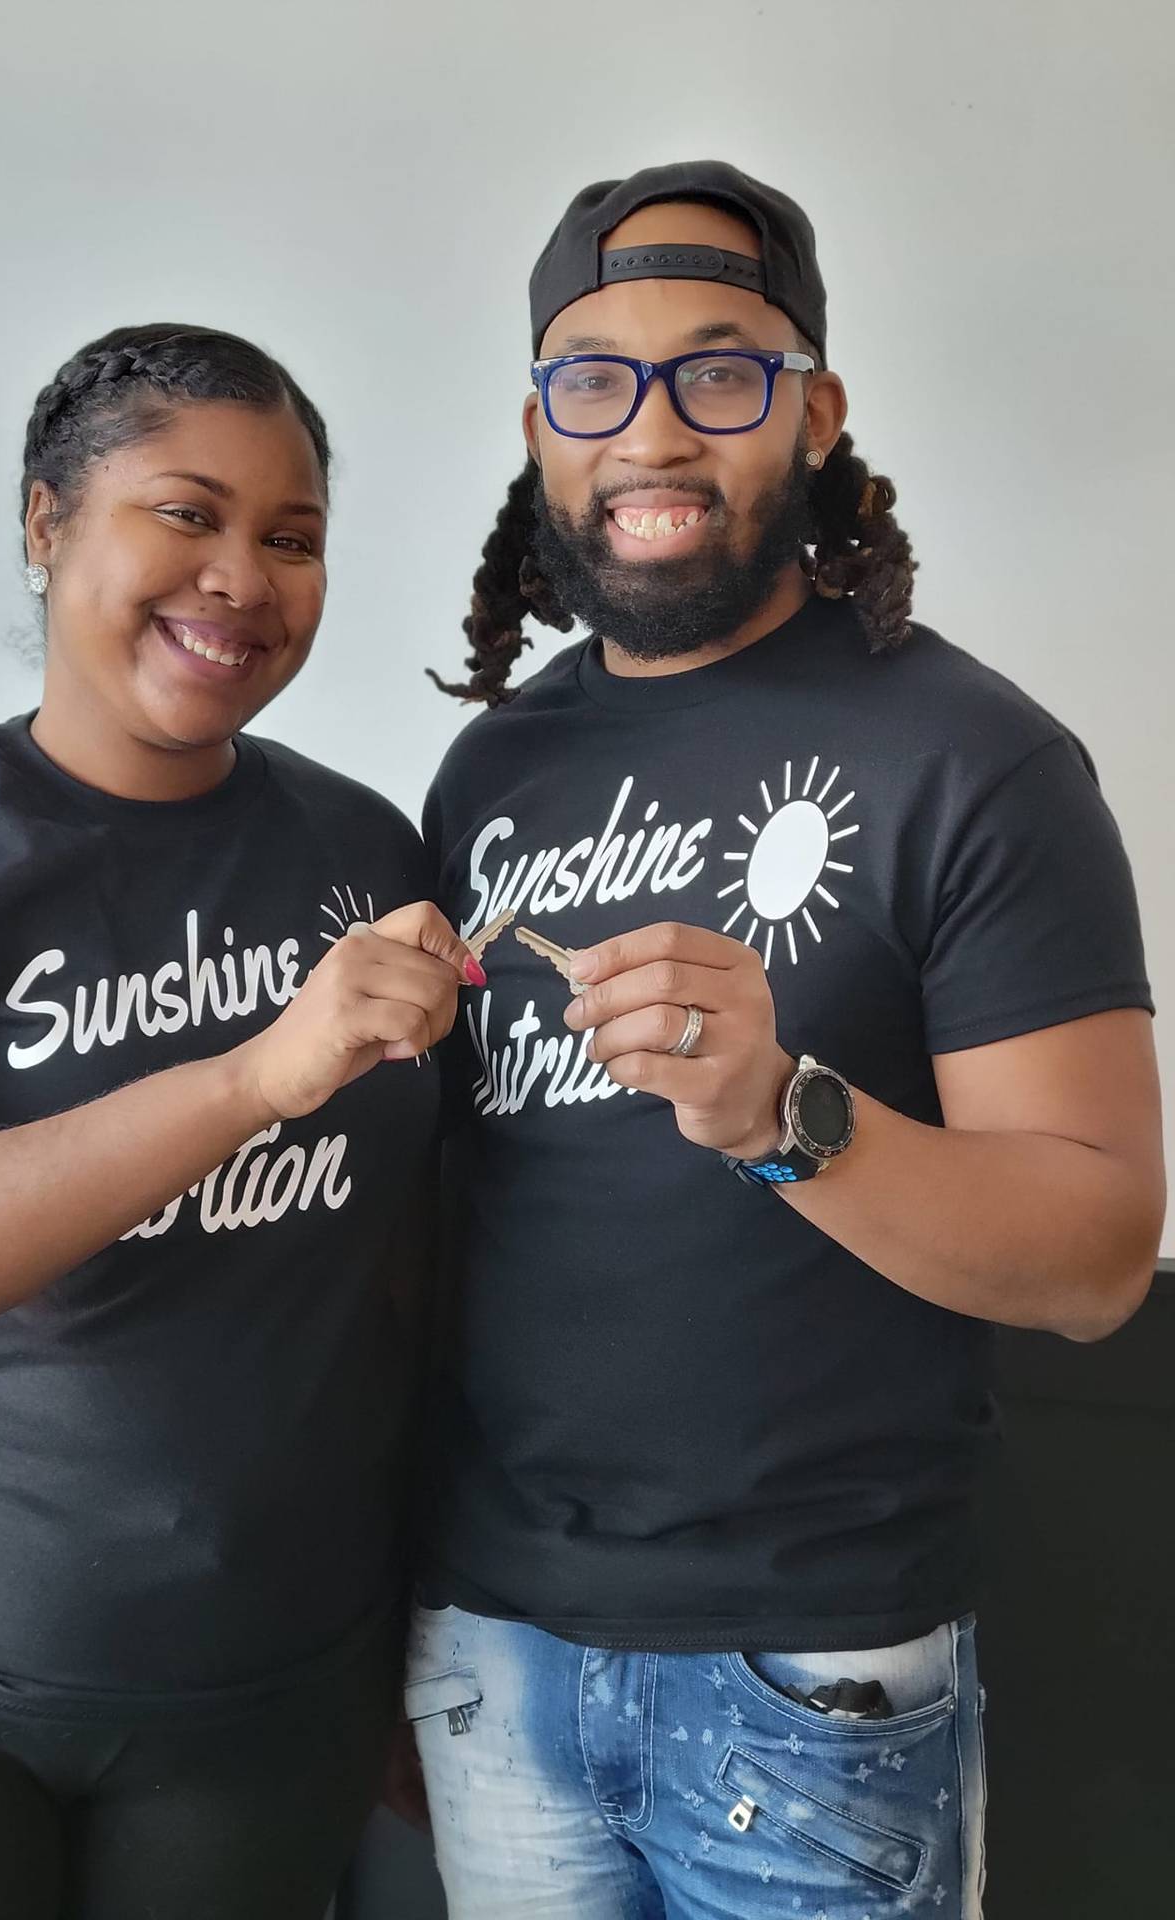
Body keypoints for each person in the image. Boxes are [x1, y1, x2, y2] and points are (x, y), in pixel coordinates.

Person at [408, 162, 1163, 1918]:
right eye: (593, 378)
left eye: (721, 371)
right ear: (540, 426)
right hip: (491, 1643)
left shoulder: (977, 758)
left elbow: (1098, 1257)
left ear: (815, 412)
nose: (651, 431)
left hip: (811, 1674)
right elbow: (464, 1219)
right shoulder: (493, 769)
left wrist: (779, 1114)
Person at [0, 322, 483, 1919]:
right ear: (45, 523)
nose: (242, 576)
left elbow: (406, 1273)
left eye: (292, 538)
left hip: (264, 1692)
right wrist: (248, 1082)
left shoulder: (364, 852)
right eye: (186, 513)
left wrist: (422, 1623)